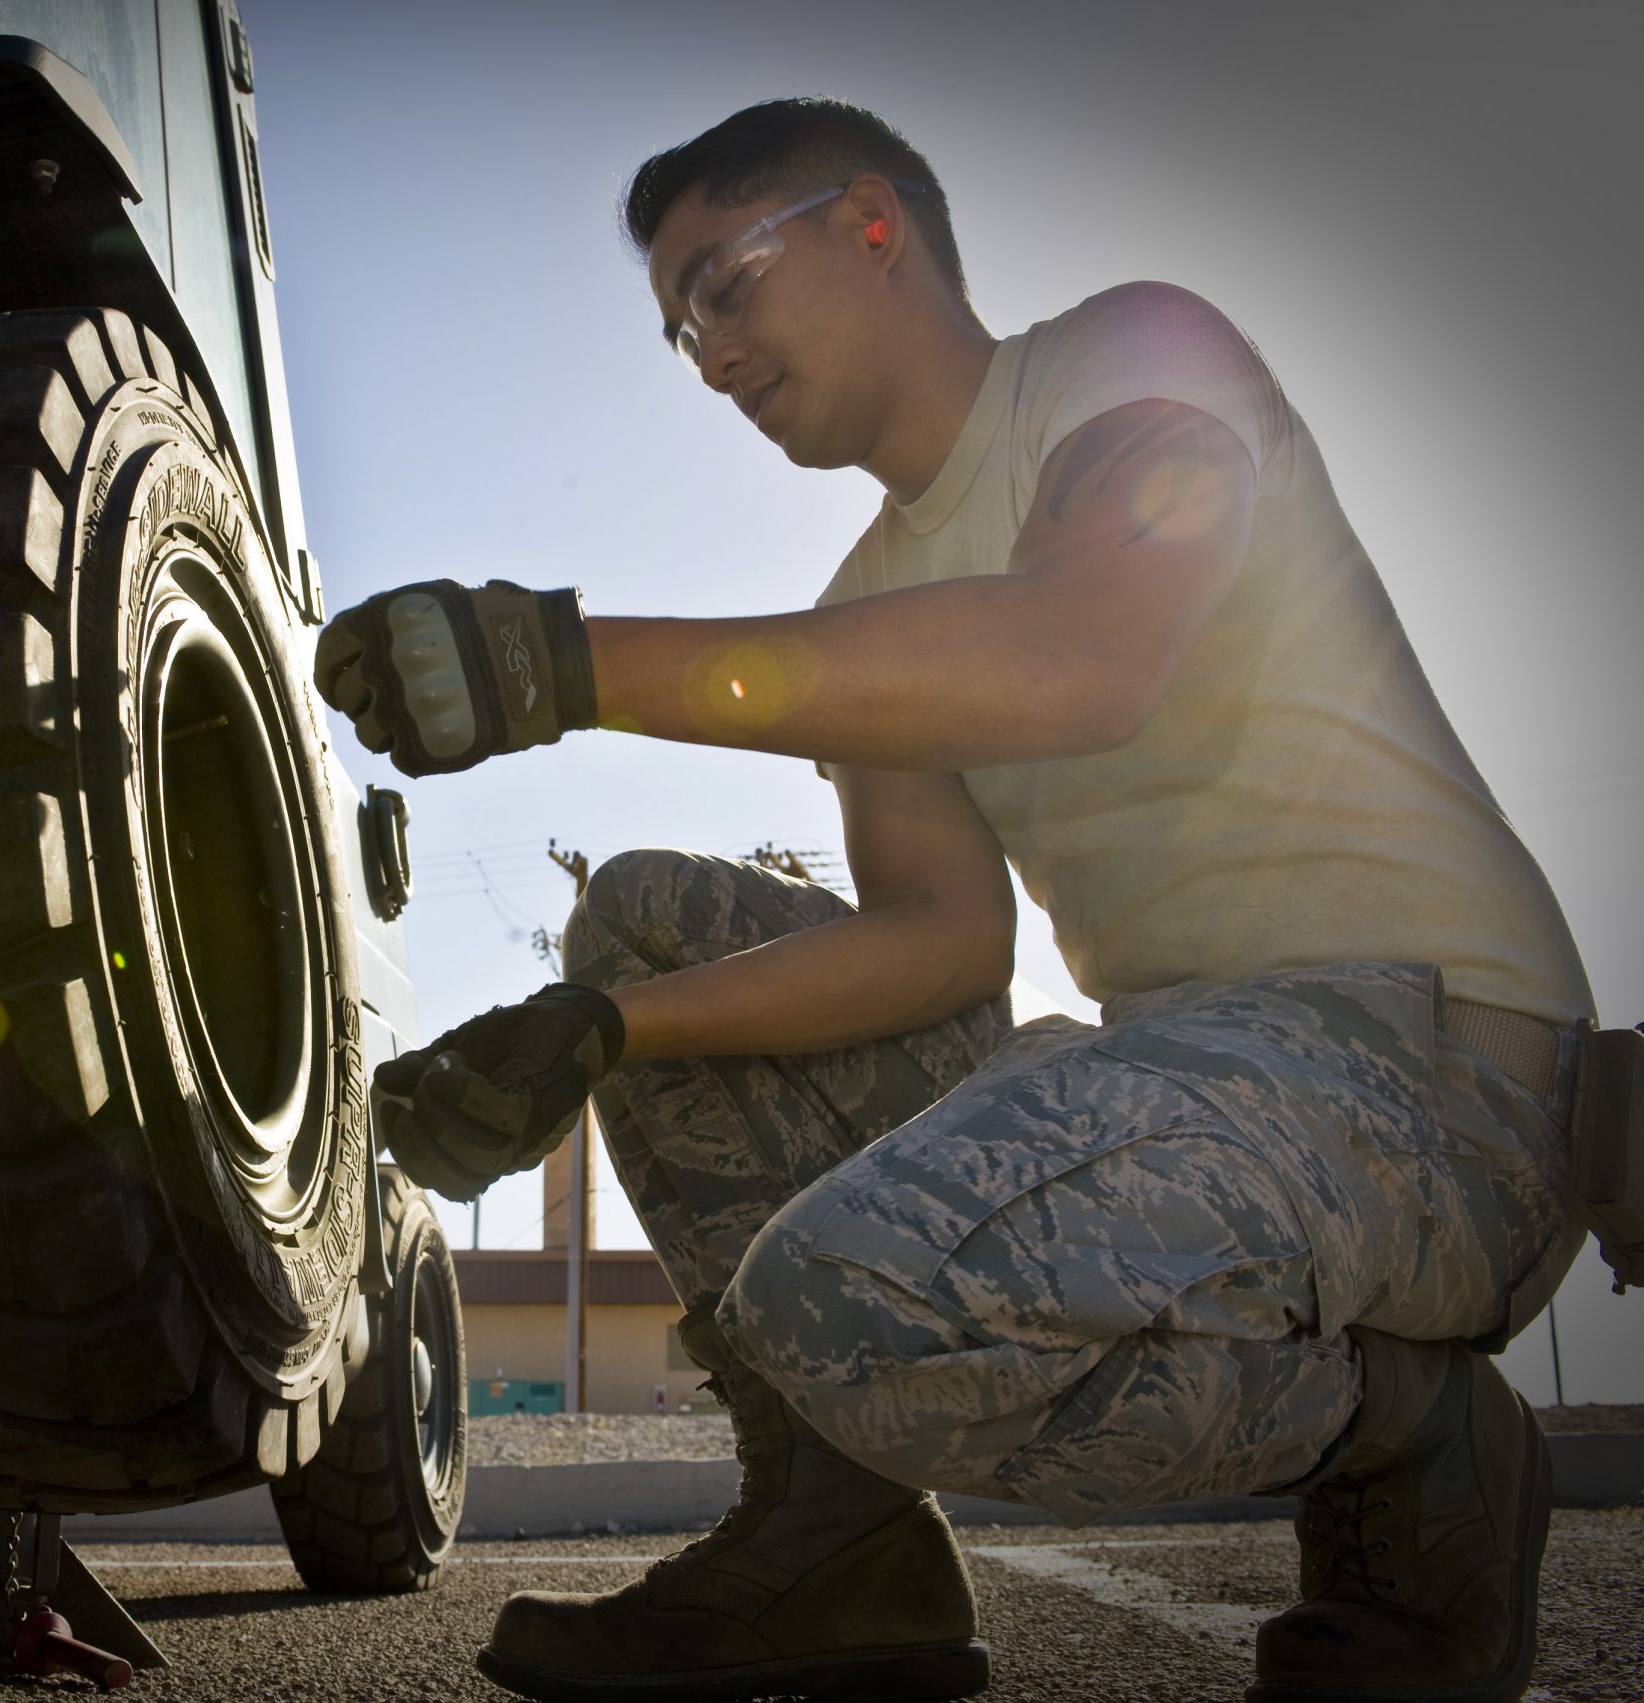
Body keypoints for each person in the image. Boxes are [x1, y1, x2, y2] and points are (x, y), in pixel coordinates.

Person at [315, 98, 1590, 1703]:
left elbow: (1086, 651)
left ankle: (1416, 1439)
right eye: (679, 331)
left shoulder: (1133, 360)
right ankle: (840, 1544)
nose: (708, 354)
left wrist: (563, 664)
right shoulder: (871, 600)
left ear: (872, 224)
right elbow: (941, 939)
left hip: (1438, 1073)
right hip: (1189, 1076)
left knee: (844, 1300)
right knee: (639, 918)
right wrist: (599, 1030)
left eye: (724, 283)